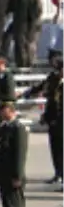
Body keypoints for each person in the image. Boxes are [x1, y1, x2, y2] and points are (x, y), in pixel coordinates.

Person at [21, 51, 64, 184]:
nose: (59, 71)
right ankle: (58, 173)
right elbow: (41, 87)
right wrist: (26, 94)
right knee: (55, 148)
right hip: (53, 119)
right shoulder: (53, 78)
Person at [0, 98, 28, 207]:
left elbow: (19, 154)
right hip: (4, 175)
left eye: (3, 110)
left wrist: (17, 176)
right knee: (7, 206)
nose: (1, 113)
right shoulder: (4, 127)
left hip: (13, 176)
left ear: (11, 111)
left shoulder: (18, 128)